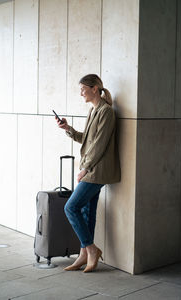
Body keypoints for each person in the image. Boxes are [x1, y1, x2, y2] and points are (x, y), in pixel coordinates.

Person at [56, 74, 120, 272]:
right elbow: (88, 140)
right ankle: (85, 253)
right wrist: (68, 129)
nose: (81, 92)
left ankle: (91, 249)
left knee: (71, 207)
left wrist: (85, 168)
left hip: (97, 170)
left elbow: (99, 145)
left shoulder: (106, 112)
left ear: (94, 88)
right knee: (87, 211)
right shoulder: (93, 111)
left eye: (83, 88)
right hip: (93, 168)